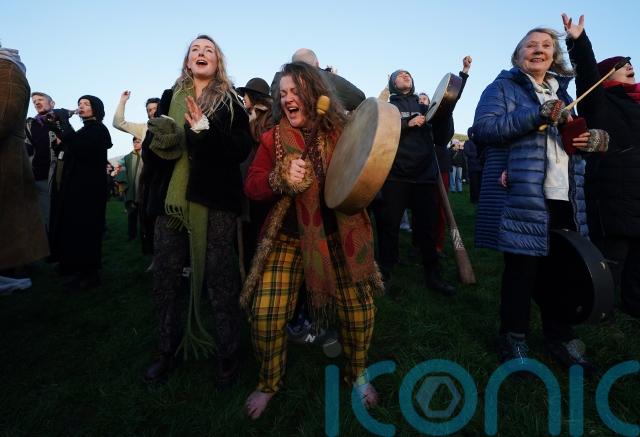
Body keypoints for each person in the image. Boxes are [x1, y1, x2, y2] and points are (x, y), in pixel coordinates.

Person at [242, 62, 382, 419]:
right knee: (265, 315)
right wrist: (279, 177)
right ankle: (268, 382)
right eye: (283, 93)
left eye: (296, 91)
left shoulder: (343, 131)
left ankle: (358, 373)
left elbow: (368, 165)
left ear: (315, 94)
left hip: (339, 234)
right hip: (288, 238)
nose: (288, 98)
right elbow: (252, 186)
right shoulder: (272, 139)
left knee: (360, 312)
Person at [472, 26, 609, 374]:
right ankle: (513, 336)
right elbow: (484, 129)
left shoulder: (561, 91)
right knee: (522, 269)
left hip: (565, 193)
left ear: (554, 56)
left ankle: (559, 336)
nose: (539, 49)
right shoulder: (502, 87)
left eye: (546, 45)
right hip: (524, 192)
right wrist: (536, 114)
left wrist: (590, 141)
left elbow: (569, 140)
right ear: (518, 55)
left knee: (562, 268)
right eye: (530, 45)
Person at [142, 35, 252, 386]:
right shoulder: (169, 96)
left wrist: (204, 129)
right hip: (170, 201)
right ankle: (166, 349)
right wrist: (163, 140)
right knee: (166, 276)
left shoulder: (231, 101)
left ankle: (227, 351)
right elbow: (150, 150)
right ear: (187, 61)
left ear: (218, 62)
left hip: (215, 198)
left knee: (220, 276)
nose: (201, 53)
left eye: (209, 51)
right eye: (195, 50)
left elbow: (240, 148)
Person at [563, 14, 640, 319]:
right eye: (622, 64)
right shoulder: (600, 101)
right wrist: (579, 42)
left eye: (629, 62)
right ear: (606, 76)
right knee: (612, 258)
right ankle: (598, 310)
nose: (629, 66)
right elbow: (586, 74)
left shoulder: (637, 104)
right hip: (613, 193)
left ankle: (633, 306)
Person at [373, 68, 456, 296]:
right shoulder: (387, 108)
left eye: (408, 74)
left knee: (427, 229)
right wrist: (406, 124)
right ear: (392, 83)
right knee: (389, 227)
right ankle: (385, 273)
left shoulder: (425, 107)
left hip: (424, 177)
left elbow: (442, 139)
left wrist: (446, 112)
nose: (405, 75)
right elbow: (379, 133)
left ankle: (433, 275)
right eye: (399, 74)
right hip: (395, 176)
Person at [50, 95, 112, 289]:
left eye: (86, 104)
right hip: (77, 188)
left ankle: (90, 275)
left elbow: (79, 147)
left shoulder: (98, 129)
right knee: (76, 228)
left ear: (96, 108)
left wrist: (64, 121)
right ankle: (77, 269)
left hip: (90, 190)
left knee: (88, 230)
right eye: (79, 104)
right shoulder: (85, 130)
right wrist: (55, 126)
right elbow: (70, 144)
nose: (81, 107)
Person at [0, 44, 49, 272]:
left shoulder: (7, 68)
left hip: (7, 162)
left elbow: (4, 115)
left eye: (41, 100)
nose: (37, 103)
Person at [113, 91, 160, 257]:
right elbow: (118, 123)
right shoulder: (143, 128)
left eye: (155, 108)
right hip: (149, 179)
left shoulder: (171, 124)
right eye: (149, 109)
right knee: (148, 216)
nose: (152, 112)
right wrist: (123, 101)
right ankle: (151, 253)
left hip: (167, 177)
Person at [25, 92, 74, 232]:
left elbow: (72, 145)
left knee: (59, 214)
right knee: (42, 216)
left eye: (40, 99)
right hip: (37, 177)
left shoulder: (60, 121)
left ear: (52, 103)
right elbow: (27, 149)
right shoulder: (30, 125)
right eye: (34, 101)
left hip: (57, 176)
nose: (37, 102)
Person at [270, 48, 365, 112]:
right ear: (317, 64)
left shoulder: (278, 80)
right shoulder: (328, 78)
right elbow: (359, 99)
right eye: (283, 94)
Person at [119, 137, 144, 241]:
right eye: (134, 142)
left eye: (138, 142)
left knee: (143, 216)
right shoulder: (127, 157)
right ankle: (131, 235)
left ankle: (144, 236)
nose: (135, 144)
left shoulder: (146, 156)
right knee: (132, 213)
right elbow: (121, 170)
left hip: (143, 190)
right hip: (131, 190)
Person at [463, 130, 482, 204]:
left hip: (480, 166)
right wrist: (477, 154)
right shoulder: (467, 143)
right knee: (473, 183)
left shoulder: (479, 143)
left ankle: (479, 198)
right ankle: (473, 199)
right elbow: (467, 152)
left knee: (479, 183)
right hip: (473, 166)